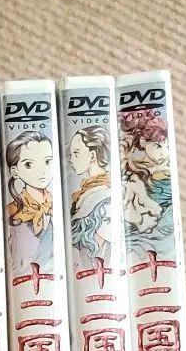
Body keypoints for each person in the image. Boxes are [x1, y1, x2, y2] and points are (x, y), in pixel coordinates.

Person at [120, 108, 173, 259]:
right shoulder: (132, 168)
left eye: (167, 147)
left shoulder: (166, 170)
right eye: (158, 146)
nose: (163, 154)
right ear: (143, 142)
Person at [4, 129, 54, 273]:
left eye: (47, 162)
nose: (42, 171)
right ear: (15, 171)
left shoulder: (58, 208)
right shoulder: (11, 212)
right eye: (29, 164)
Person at [67, 125, 112, 264]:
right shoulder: (86, 190)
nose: (71, 159)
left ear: (92, 155)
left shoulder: (104, 194)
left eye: (76, 153)